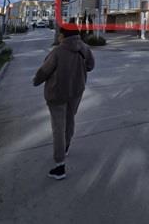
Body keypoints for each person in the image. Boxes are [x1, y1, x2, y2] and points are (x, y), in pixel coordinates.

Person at [33, 25, 95, 180]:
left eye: (60, 34)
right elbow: (90, 66)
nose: (58, 36)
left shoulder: (58, 51)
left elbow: (44, 71)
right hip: (76, 91)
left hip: (57, 94)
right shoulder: (84, 48)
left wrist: (36, 81)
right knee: (70, 119)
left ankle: (59, 166)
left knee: (58, 128)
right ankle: (66, 146)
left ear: (64, 35)